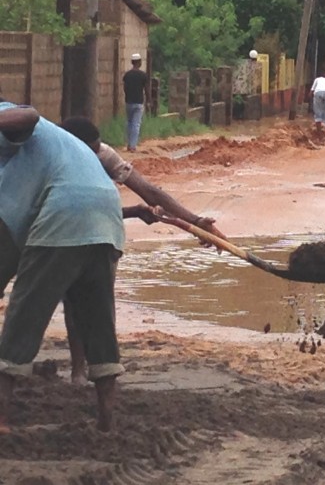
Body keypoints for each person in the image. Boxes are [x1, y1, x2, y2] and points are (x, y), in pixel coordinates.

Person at [59, 116, 225, 383]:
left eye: (97, 149)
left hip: (103, 232)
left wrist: (196, 222)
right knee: (72, 300)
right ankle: (78, 368)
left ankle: (100, 368)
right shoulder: (53, 157)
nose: (94, 156)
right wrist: (134, 212)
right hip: (63, 231)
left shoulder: (103, 155)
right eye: (89, 151)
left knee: (101, 302)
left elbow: (150, 192)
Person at [0, 101, 125, 433]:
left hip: (63, 214)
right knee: (99, 321)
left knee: (24, 314)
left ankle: (0, 418)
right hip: (105, 215)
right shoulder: (59, 144)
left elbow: (29, 115)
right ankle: (106, 417)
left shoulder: (12, 118)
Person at [123, 53, 148, 152]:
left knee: (129, 123)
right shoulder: (142, 75)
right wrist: (149, 100)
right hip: (138, 102)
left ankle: (129, 144)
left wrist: (127, 96)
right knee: (136, 124)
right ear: (139, 62)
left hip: (129, 102)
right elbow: (146, 89)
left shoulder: (127, 75)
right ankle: (133, 146)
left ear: (132, 62)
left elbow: (125, 88)